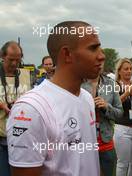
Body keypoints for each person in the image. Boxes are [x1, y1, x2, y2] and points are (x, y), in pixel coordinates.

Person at [6, 21, 105, 176]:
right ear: (67, 54)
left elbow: (88, 160)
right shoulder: (31, 110)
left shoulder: (86, 98)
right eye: (93, 48)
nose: (102, 55)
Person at [82, 71, 123, 176]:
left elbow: (119, 114)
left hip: (106, 140)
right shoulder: (78, 83)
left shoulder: (111, 84)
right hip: (84, 141)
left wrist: (106, 107)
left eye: (101, 61)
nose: (98, 63)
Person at [0, 41, 31, 176]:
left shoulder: (25, 75)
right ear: (2, 56)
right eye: (10, 60)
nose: (14, 63)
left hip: (21, 138)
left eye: (17, 60)